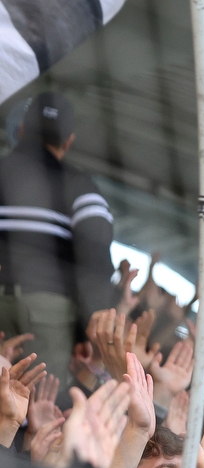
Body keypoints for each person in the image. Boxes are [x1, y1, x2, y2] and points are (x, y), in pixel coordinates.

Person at [0, 91, 116, 383]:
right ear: (68, 140)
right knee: (35, 401)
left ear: (23, 129)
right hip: (48, 314)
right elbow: (95, 261)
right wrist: (82, 330)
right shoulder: (80, 185)